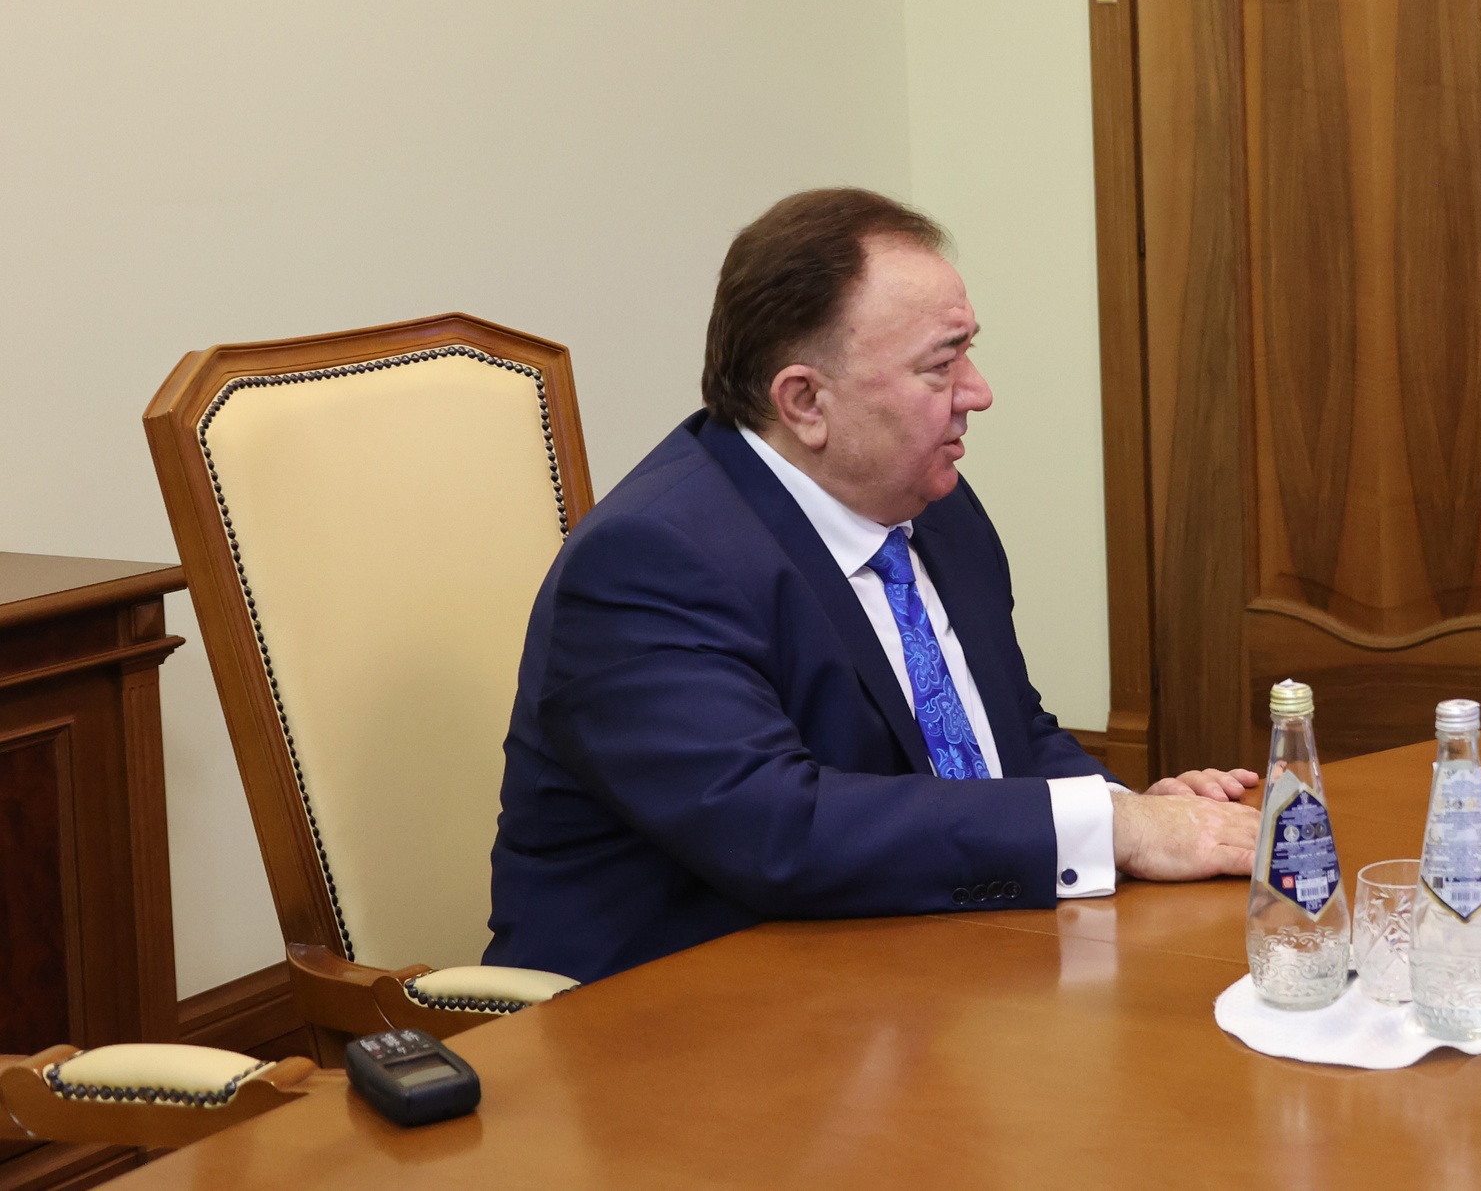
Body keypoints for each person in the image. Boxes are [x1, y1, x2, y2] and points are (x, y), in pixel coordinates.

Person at [486, 189, 1263, 981]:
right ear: (804, 401)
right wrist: (1114, 827)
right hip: (667, 1011)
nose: (979, 391)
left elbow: (1011, 736)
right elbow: (780, 829)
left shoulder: (931, 506)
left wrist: (1141, 813)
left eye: (968, 351)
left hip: (904, 979)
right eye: (941, 365)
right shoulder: (649, 560)